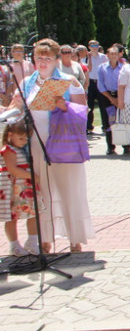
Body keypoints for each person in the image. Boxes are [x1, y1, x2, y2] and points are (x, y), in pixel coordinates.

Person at [15, 38, 94, 254]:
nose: (42, 63)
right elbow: (15, 109)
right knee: (42, 194)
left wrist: (65, 105)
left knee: (68, 190)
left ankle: (75, 239)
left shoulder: (69, 81)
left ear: (56, 60)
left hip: (62, 145)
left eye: (47, 58)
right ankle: (45, 239)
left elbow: (83, 113)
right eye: (39, 58)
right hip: (35, 145)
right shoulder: (26, 84)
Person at [1, 120, 39, 256]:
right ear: (10, 135)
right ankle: (14, 245)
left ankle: (32, 241)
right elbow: (12, 169)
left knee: (33, 213)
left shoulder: (21, 149)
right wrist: (32, 176)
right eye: (21, 138)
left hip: (25, 187)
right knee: (12, 217)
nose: (24, 141)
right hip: (13, 188)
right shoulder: (8, 150)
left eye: (26, 138)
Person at [98, 47, 126, 155]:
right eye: (111, 54)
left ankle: (126, 145)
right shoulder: (102, 68)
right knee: (109, 121)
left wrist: (120, 98)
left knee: (123, 121)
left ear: (119, 55)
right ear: (107, 55)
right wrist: (111, 98)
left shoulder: (124, 67)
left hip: (121, 96)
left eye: (115, 54)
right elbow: (100, 85)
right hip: (107, 96)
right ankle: (111, 147)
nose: (114, 56)